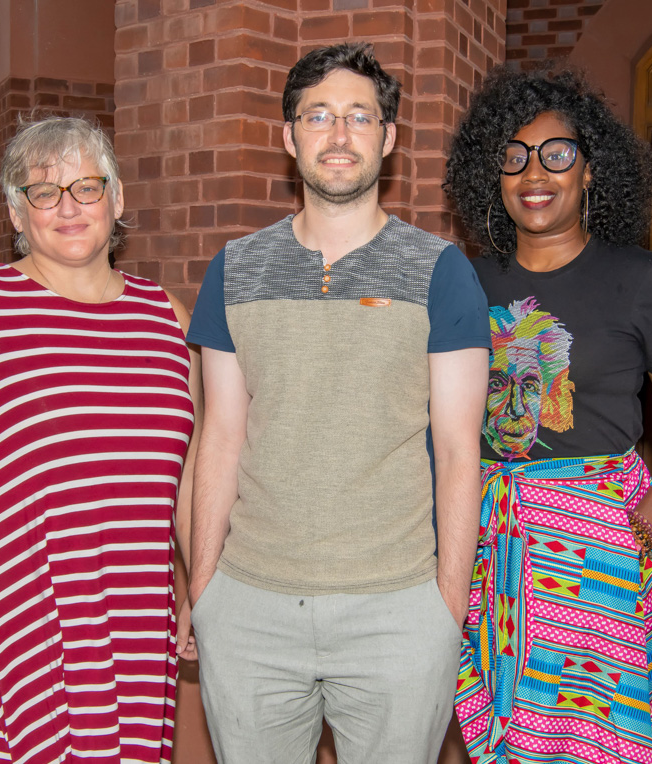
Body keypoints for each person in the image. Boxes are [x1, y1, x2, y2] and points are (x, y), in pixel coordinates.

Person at [185, 42, 490, 764]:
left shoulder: (441, 272)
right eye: (317, 115)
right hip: (250, 604)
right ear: (289, 137)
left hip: (398, 607)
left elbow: (457, 449)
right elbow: (220, 435)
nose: (339, 133)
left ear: (388, 138)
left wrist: (446, 607)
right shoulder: (234, 269)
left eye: (361, 115)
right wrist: (205, 590)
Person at [0, 116, 200, 763]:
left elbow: (184, 476)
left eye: (86, 187)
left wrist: (193, 591)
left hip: (135, 620)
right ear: (17, 212)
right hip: (20, 621)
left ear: (119, 199)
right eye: (43, 192)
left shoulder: (166, 319)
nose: (67, 207)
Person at [445, 68, 652, 764]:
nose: (534, 174)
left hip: (599, 540)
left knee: (595, 727)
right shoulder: (464, 280)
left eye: (557, 154)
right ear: (493, 174)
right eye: (514, 156)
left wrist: (642, 524)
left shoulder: (643, 281)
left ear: (591, 170)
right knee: (490, 718)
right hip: (486, 531)